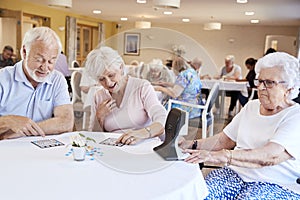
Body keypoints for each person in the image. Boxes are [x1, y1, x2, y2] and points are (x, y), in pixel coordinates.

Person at [180, 52, 300, 199]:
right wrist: (189, 144)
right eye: (259, 81)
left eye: (269, 82)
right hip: (236, 173)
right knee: (202, 195)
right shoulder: (251, 107)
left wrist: (221, 156)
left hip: (275, 182)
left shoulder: (295, 115)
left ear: (290, 88)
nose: (261, 87)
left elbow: (271, 156)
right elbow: (225, 140)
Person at [0, 27, 74, 140]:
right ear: (24, 52)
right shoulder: (2, 78)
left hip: (40, 149)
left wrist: (24, 131)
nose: (45, 68)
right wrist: (9, 121)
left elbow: (66, 122)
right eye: (39, 59)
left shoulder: (57, 79)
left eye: (51, 61)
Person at [85, 46, 167, 145]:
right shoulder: (99, 96)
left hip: (143, 146)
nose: (108, 83)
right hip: (113, 150)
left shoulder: (141, 87)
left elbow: (162, 118)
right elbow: (93, 137)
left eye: (111, 75)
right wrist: (99, 117)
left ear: (121, 67)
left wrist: (142, 133)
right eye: (101, 79)